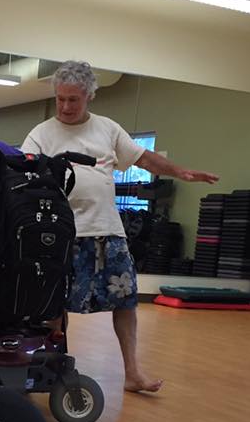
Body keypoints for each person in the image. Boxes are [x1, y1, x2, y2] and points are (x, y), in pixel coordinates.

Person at [21, 61, 218, 394]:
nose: (66, 107)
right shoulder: (42, 133)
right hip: (63, 235)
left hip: (108, 232)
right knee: (54, 304)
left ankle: (132, 372)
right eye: (61, 99)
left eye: (74, 100)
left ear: (89, 97)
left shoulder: (107, 129)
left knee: (126, 302)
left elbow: (143, 158)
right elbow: (22, 170)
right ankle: (49, 367)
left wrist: (180, 172)